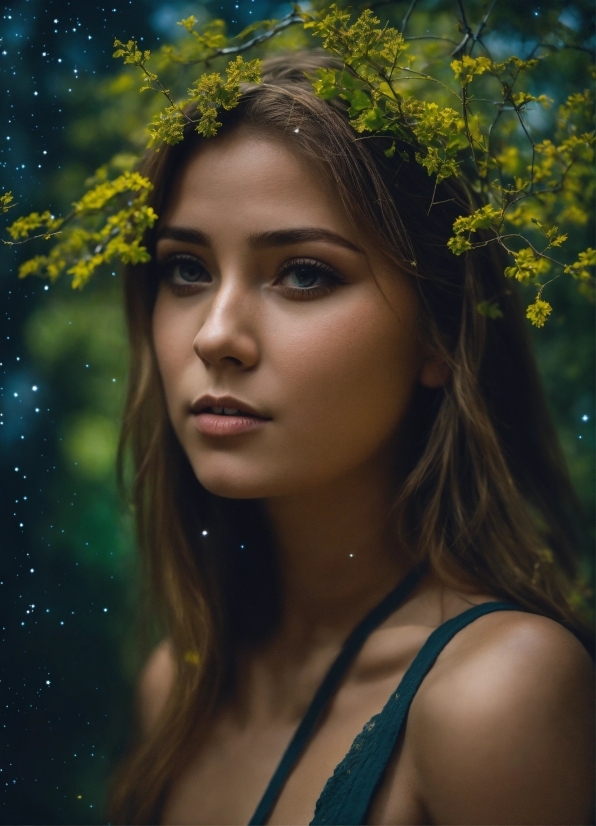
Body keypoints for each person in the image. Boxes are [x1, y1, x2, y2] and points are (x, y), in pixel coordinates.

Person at [108, 52, 594, 825]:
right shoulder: (178, 685)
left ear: (440, 332)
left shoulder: (498, 691)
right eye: (187, 271)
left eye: (303, 274)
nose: (216, 335)